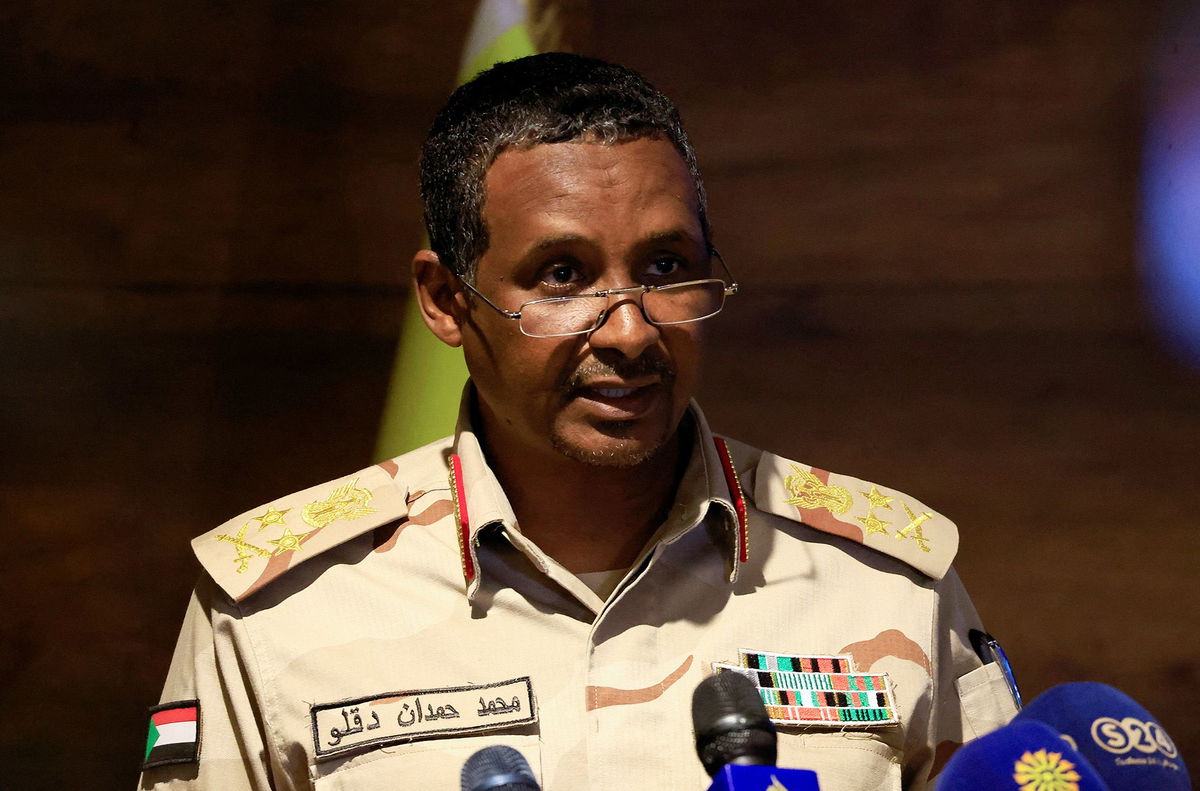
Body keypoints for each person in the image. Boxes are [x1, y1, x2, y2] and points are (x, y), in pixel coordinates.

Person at [139, 53, 1018, 791]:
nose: (631, 329)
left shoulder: (885, 580)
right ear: (447, 300)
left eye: (667, 265)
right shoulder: (278, 605)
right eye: (562, 275)